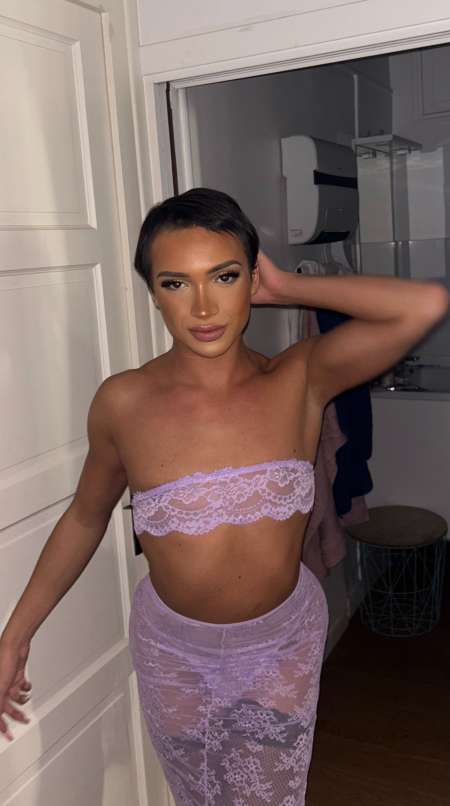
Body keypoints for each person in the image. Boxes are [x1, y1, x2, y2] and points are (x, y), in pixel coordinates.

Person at [0, 188, 447, 804]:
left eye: (225, 276)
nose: (204, 306)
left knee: (269, 795)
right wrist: (15, 635)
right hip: (173, 650)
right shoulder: (123, 402)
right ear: (154, 293)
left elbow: (424, 305)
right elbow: (84, 518)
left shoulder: (300, 377)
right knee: (198, 792)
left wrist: (287, 287)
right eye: (176, 283)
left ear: (251, 280)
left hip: (281, 644)